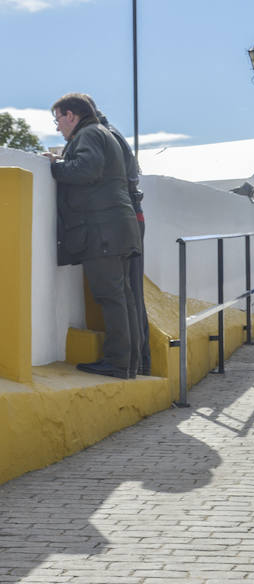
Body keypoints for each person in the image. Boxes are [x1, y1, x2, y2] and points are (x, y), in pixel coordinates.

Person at [47, 93, 142, 379]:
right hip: (119, 228)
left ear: (71, 116)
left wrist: (55, 164)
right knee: (123, 298)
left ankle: (117, 363)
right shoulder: (105, 133)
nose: (57, 127)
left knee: (111, 298)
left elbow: (87, 169)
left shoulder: (88, 134)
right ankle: (129, 364)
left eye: (58, 119)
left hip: (102, 232)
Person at [86, 96, 151, 375]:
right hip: (132, 217)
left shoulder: (102, 137)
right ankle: (139, 363)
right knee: (130, 295)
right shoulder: (113, 134)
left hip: (122, 221)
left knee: (128, 296)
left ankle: (136, 362)